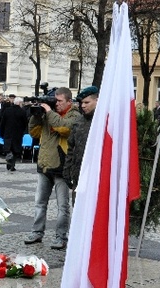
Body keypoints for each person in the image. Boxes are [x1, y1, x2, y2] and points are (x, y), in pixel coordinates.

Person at [25, 87, 79, 249]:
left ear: (69, 101)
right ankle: (37, 232)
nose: (57, 104)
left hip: (62, 167)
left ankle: (61, 236)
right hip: (45, 165)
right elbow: (33, 132)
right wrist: (36, 115)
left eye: (60, 101)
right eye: (55, 101)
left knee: (62, 205)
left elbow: (63, 128)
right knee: (40, 203)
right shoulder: (49, 114)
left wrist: (48, 112)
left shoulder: (74, 116)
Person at [63, 87, 99, 248]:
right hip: (79, 177)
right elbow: (71, 148)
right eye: (81, 103)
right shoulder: (79, 122)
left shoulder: (104, 122)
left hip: (96, 177)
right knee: (79, 212)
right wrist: (67, 170)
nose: (83, 106)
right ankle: (79, 246)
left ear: (97, 100)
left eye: (86, 102)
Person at [0, 97, 28, 171]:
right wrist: (23, 131)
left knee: (8, 148)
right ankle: (12, 166)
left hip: (7, 133)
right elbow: (25, 123)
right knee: (15, 150)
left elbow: (3, 122)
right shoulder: (22, 111)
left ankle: (9, 161)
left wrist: (1, 132)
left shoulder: (7, 110)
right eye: (21, 103)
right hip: (17, 134)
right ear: (19, 103)